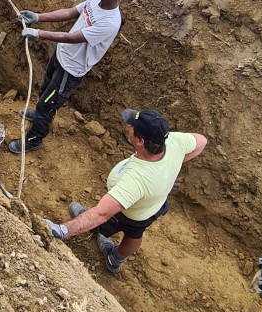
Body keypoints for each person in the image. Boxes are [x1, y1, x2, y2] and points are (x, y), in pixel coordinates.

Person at [45, 109, 207, 275]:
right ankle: (116, 260)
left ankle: (93, 233)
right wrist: (172, 168)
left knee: (102, 219)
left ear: (140, 140)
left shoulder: (137, 180)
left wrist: (61, 230)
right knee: (136, 233)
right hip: (152, 207)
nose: (128, 125)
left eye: (132, 126)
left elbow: (101, 214)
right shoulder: (173, 141)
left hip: (126, 213)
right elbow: (202, 141)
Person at [8, 0, 122, 154]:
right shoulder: (95, 0)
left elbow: (73, 37)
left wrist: (38, 33)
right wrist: (38, 17)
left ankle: (34, 140)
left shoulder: (109, 23)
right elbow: (70, 12)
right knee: (45, 88)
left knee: (48, 104)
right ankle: (37, 116)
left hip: (71, 69)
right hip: (61, 55)